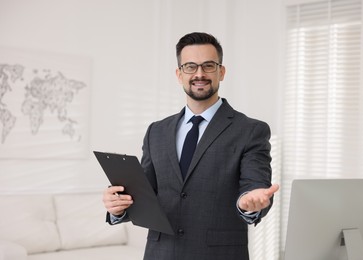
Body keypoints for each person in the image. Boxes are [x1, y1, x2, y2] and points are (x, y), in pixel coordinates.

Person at [102, 32, 279, 260]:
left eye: (208, 65)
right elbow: (145, 193)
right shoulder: (156, 131)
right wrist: (118, 207)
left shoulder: (251, 130)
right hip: (160, 252)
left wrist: (250, 204)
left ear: (221, 72)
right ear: (179, 74)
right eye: (190, 67)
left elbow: (256, 188)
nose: (199, 74)